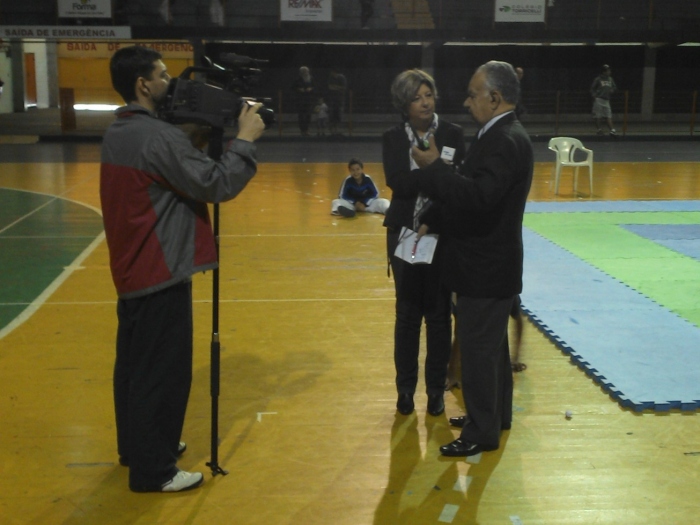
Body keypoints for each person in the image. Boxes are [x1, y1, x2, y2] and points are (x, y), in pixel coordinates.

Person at [100, 45, 265, 492]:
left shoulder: (120, 131)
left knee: (134, 369)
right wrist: (245, 139)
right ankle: (155, 471)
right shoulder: (158, 138)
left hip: (132, 269)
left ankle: (139, 448)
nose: (169, 82)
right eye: (161, 74)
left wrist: (188, 138)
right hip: (161, 269)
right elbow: (216, 182)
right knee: (162, 373)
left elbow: (164, 173)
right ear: (143, 85)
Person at [407, 61, 534, 456]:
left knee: (478, 352)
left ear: (494, 98)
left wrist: (432, 169)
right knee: (492, 351)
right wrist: (434, 216)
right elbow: (471, 191)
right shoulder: (499, 135)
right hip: (492, 264)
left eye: (473, 94)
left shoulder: (504, 140)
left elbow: (478, 198)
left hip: (486, 266)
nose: (466, 102)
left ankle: (481, 431)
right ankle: (495, 416)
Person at [382, 69, 466, 418]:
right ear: (404, 104)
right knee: (407, 316)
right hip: (403, 233)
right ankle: (405, 390)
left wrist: (426, 174)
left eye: (429, 95)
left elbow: (456, 184)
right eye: (416, 98)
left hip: (441, 233)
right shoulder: (392, 138)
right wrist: (434, 171)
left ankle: (435, 391)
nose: (425, 103)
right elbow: (397, 183)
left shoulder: (452, 134)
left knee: (439, 316)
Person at [590, 64, 617, 136]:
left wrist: (612, 90)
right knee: (598, 116)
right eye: (608, 70)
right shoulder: (598, 79)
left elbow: (614, 87)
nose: (609, 72)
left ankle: (612, 130)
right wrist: (594, 96)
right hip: (599, 99)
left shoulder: (610, 79)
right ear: (604, 72)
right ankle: (599, 129)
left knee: (608, 115)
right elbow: (592, 88)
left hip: (606, 100)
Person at [292, 66, 315, 136]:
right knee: (301, 116)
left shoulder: (311, 78)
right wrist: (299, 89)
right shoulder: (298, 79)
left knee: (308, 115)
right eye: (304, 72)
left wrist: (311, 89)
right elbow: (293, 87)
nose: (306, 73)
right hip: (300, 100)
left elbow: (315, 86)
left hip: (309, 99)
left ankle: (306, 130)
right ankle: (302, 130)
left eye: (306, 71)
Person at [327, 69, 347, 134]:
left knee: (338, 113)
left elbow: (343, 87)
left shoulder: (341, 78)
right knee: (332, 113)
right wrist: (338, 87)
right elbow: (330, 87)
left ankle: (337, 128)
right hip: (332, 98)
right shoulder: (331, 78)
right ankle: (332, 128)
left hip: (339, 98)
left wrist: (335, 87)